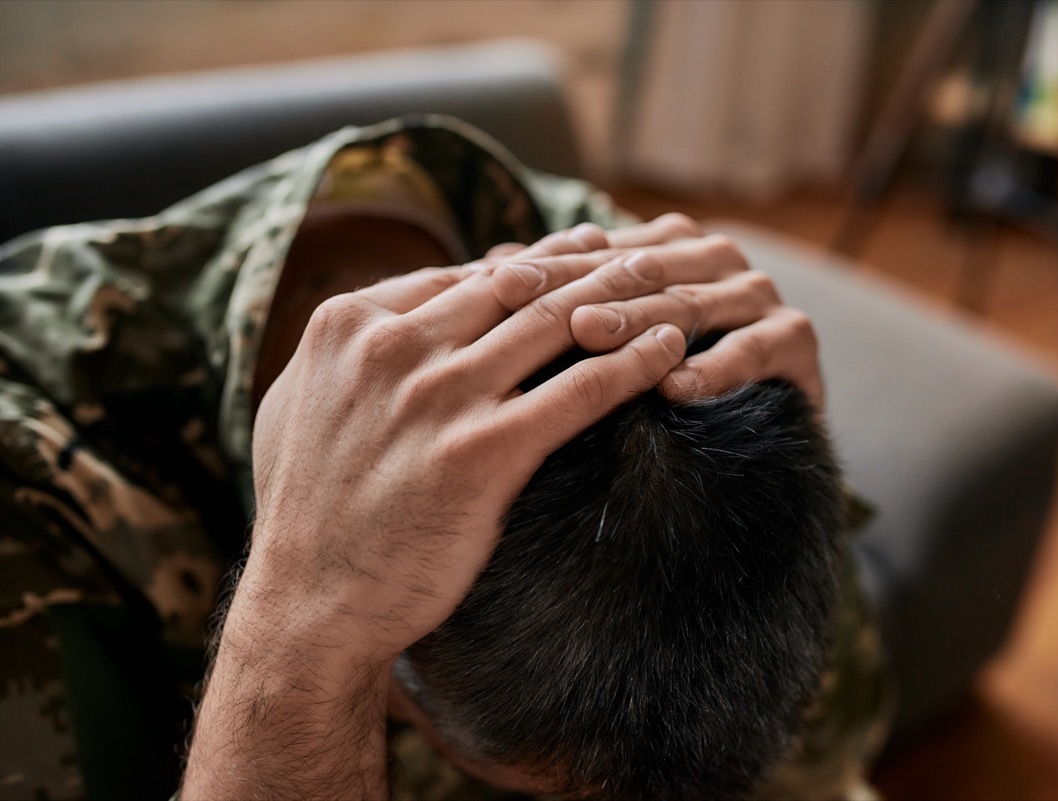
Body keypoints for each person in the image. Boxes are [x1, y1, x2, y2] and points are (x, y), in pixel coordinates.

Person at [0, 116, 890, 800]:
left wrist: (810, 468)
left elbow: (834, 744)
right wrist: (294, 637)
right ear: (392, 667)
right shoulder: (29, 503)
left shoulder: (675, 315)